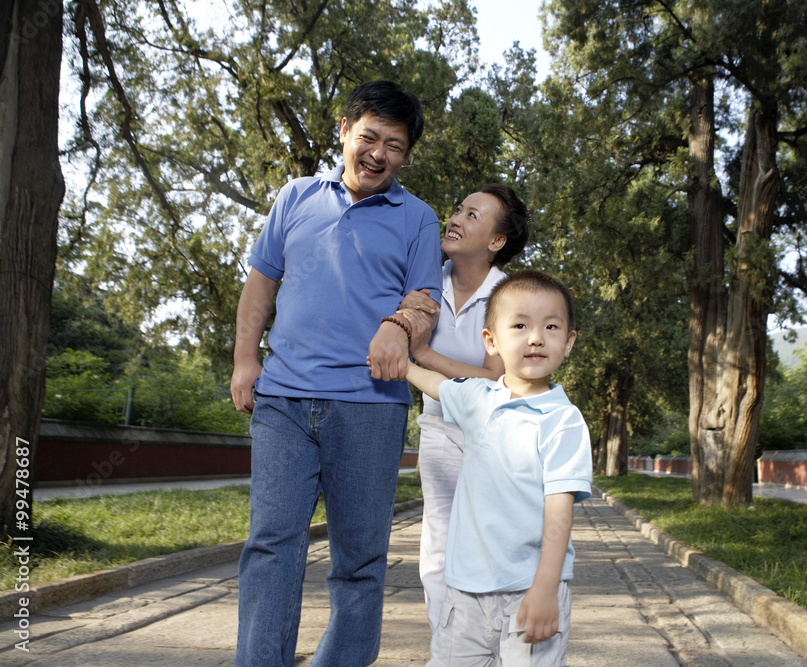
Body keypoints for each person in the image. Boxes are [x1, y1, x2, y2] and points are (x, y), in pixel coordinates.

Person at [229, 80, 443, 667]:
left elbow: (426, 302)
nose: (378, 153)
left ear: (406, 155)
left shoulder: (418, 218)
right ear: (344, 132)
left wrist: (398, 325)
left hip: (371, 407)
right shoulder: (294, 197)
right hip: (284, 401)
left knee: (360, 558)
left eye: (395, 146)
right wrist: (245, 359)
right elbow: (260, 284)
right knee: (271, 545)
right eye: (369, 137)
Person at [403, 270, 592, 665]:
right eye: (520, 325)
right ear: (491, 340)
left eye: (551, 326)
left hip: (530, 590)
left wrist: (545, 587)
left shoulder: (564, 421)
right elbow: (432, 383)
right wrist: (399, 361)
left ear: (569, 342)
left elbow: (560, 512)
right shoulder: (478, 398)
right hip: (464, 591)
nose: (536, 337)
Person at [396, 183, 530, 631]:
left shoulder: (509, 298)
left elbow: (497, 378)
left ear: (496, 242)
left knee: (489, 548)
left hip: (493, 436)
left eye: (473, 216)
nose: (455, 219)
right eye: (458, 210)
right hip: (437, 428)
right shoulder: (425, 281)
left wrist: (426, 356)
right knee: (436, 554)